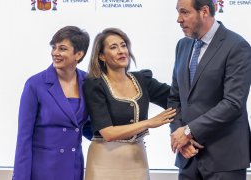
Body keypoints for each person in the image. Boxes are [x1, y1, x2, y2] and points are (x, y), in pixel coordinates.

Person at [169, 0, 251, 179]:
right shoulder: (182, 45)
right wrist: (179, 135)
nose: (179, 19)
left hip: (224, 160)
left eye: (184, 12)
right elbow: (175, 98)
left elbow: (233, 103)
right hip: (187, 157)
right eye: (178, 12)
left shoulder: (237, 46)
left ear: (204, 11)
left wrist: (189, 131)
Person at [83, 27, 176, 180]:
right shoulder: (94, 84)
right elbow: (108, 133)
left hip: (136, 160)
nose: (121, 51)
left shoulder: (142, 80)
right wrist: (149, 123)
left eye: (123, 45)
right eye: (113, 47)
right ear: (102, 56)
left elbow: (175, 99)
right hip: (104, 161)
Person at [12, 26, 92, 180]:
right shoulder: (35, 84)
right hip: (43, 169)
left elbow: (90, 127)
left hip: (73, 168)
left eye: (62, 48)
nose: (55, 53)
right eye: (54, 47)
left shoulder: (88, 83)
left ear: (79, 54)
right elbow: (24, 138)